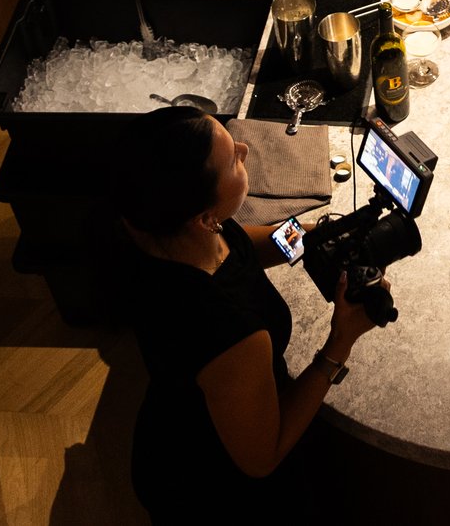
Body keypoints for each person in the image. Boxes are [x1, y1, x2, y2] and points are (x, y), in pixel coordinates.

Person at [114, 107, 381, 517]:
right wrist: (340, 343)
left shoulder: (151, 227)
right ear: (205, 217)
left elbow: (248, 247)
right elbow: (263, 457)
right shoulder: (230, 331)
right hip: (214, 489)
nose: (245, 147)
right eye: (232, 160)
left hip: (180, 416)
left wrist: (322, 234)